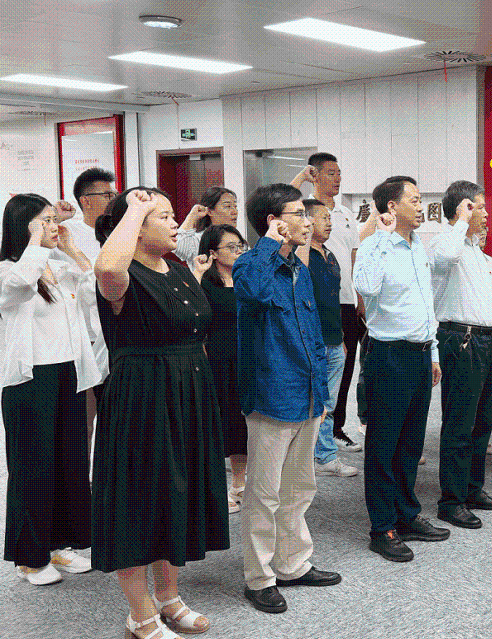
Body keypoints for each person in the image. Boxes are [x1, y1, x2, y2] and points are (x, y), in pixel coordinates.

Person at [93, 188, 229, 638]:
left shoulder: (179, 269)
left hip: (188, 394)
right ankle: (141, 613)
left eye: (173, 216)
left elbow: (198, 332)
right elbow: (107, 267)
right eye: (164, 217)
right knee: (137, 502)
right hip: (142, 399)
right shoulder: (121, 274)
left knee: (175, 496)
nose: (176, 224)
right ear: (134, 227)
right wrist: (134, 208)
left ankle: (169, 598)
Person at [234, 184, 341, 614]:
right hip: (272, 395)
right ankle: (259, 578)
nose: (308, 221)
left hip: (307, 392)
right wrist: (269, 246)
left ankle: (293, 563)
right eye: (299, 214)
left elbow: (312, 332)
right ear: (273, 222)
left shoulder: (300, 268)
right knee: (264, 493)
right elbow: (255, 293)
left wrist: (322, 392)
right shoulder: (250, 264)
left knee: (299, 487)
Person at [0, 194, 100, 586]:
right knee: (32, 469)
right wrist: (38, 241)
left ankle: (59, 545)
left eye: (55, 220)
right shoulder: (6, 270)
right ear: (24, 226)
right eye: (45, 221)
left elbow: (95, 289)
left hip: (70, 374)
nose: (54, 227)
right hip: (30, 381)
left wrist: (70, 248)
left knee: (70, 463)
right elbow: (21, 283)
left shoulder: (59, 266)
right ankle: (30, 558)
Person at [353, 176, 450, 562]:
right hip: (388, 355)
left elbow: (426, 305)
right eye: (414, 199)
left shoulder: (417, 246)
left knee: (411, 444)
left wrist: (433, 353)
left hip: (420, 354)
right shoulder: (374, 245)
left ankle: (406, 515)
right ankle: (382, 528)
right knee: (383, 446)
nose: (421, 205)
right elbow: (367, 287)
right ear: (392, 207)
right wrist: (380, 237)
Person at [430, 180, 492, 530]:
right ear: (463, 208)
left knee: (482, 422)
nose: (486, 213)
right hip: (460, 340)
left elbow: (489, 298)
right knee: (459, 424)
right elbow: (447, 256)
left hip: (485, 341)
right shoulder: (444, 243)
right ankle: (451, 501)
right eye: (480, 206)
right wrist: (462, 219)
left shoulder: (480, 254)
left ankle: (472, 489)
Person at [291, 154, 363, 452]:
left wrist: (359, 298)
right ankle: (313, 441)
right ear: (316, 175)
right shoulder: (303, 209)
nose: (337, 178)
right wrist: (300, 177)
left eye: (339, 172)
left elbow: (355, 256)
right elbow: (282, 203)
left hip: (345, 300)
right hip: (316, 305)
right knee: (317, 373)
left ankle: (336, 429)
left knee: (343, 368)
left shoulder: (344, 213)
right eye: (331, 173)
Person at [190, 224, 251, 514]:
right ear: (213, 253)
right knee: (215, 426)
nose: (238, 252)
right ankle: (213, 491)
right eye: (231, 247)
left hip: (245, 359)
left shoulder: (246, 278)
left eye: (241, 246)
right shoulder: (203, 282)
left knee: (241, 425)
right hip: (213, 361)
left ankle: (239, 483)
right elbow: (192, 320)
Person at [301, 198, 358, 479]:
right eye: (323, 217)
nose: (329, 222)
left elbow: (333, 302)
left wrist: (342, 338)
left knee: (329, 403)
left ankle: (322, 453)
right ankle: (322, 456)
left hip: (336, 340)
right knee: (318, 402)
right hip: (313, 341)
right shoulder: (301, 257)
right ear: (307, 221)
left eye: (329, 217)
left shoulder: (331, 255)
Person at [64, 167, 116, 455]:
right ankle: (81, 478)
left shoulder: (119, 233)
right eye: (106, 194)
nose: (112, 199)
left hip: (116, 337)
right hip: (82, 338)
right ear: (85, 200)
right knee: (83, 420)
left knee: (116, 421)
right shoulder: (68, 233)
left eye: (114, 193)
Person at [173, 186, 239, 261]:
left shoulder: (238, 240)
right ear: (210, 211)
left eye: (235, 206)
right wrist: (192, 216)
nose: (234, 212)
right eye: (228, 206)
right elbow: (177, 246)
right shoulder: (199, 240)